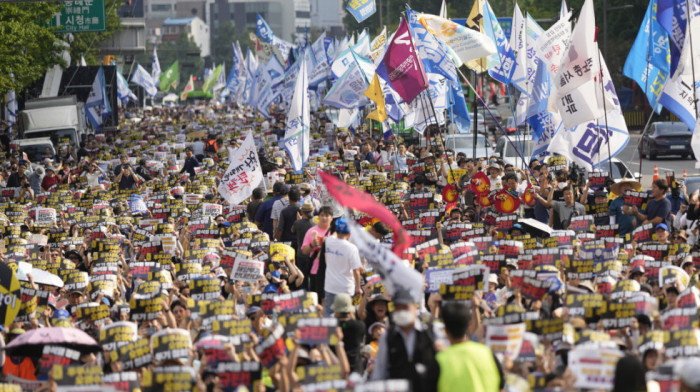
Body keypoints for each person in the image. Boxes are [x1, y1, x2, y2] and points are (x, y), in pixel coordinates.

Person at [371, 288, 439, 392]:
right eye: (397, 307)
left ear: (414, 307)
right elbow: (379, 372)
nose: (401, 311)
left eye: (405, 307)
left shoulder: (430, 332)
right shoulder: (388, 336)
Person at [436, 301, 502, 392]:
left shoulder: (439, 360)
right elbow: (501, 387)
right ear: (468, 325)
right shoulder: (488, 353)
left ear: (445, 330)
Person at [323, 217, 362, 317]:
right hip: (346, 287)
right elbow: (356, 271)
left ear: (336, 230)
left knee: (329, 314)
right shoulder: (352, 248)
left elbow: (334, 234)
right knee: (346, 315)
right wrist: (358, 287)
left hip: (330, 286)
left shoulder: (329, 241)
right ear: (349, 233)